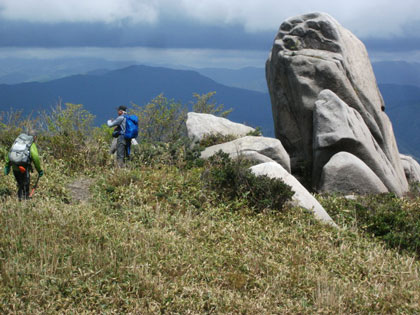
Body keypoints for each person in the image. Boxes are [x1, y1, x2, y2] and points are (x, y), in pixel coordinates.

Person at [4, 132, 44, 200]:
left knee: (20, 184)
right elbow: (35, 157)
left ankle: (20, 199)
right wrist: (39, 170)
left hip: (15, 167)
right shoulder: (31, 144)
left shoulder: (18, 142)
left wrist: (7, 166)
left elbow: (10, 153)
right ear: (34, 137)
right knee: (25, 184)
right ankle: (25, 200)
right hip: (24, 168)